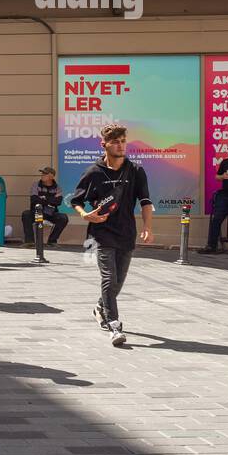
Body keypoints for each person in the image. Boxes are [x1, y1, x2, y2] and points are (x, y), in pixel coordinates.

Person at [69, 123, 154, 348]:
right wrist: (86, 215)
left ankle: (100, 308)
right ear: (104, 144)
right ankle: (114, 325)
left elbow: (145, 201)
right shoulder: (94, 172)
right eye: (115, 141)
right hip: (101, 233)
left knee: (117, 282)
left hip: (126, 232)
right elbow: (75, 201)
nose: (120, 145)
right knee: (108, 278)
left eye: (123, 141)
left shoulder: (135, 170)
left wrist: (147, 226)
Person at [23, 166, 69, 246]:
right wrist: (50, 200)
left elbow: (58, 202)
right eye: (42, 173)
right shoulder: (36, 185)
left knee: (63, 218)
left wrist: (43, 198)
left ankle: (52, 241)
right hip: (37, 212)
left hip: (50, 213)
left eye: (45, 174)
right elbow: (34, 200)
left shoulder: (57, 188)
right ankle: (29, 241)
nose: (42, 175)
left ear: (51, 176)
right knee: (26, 214)